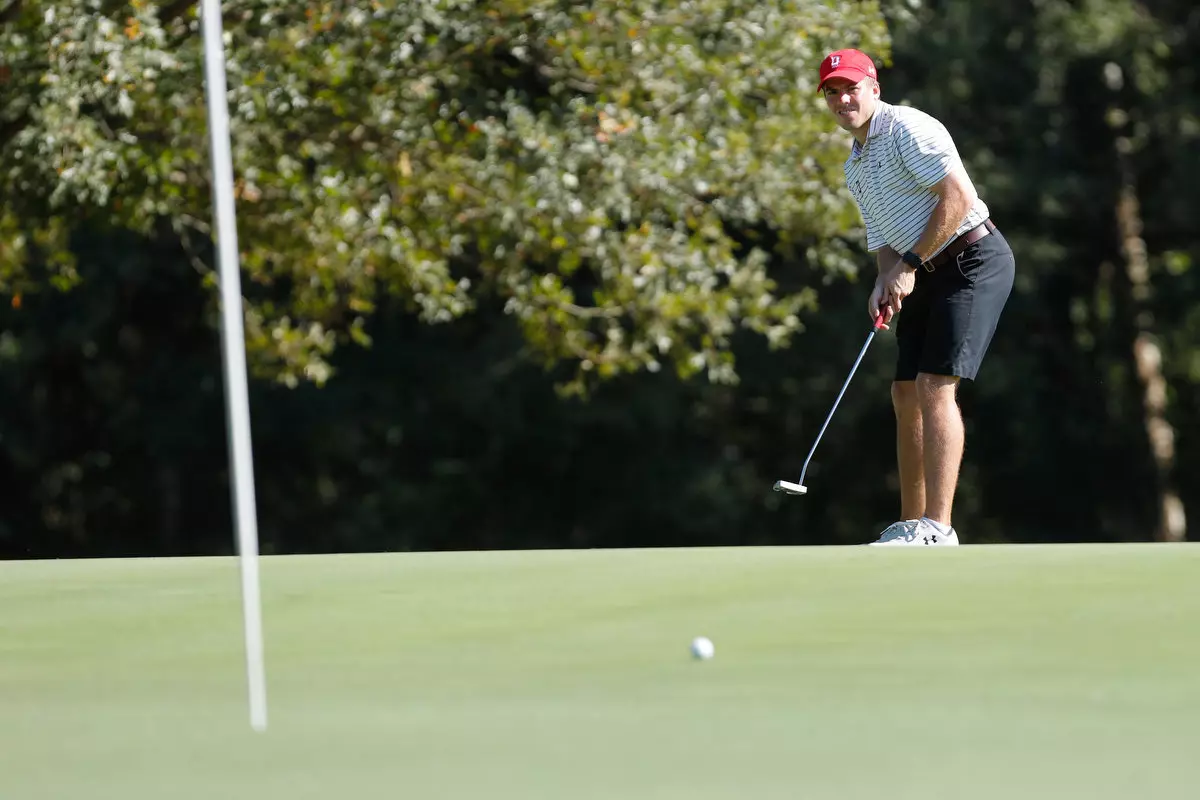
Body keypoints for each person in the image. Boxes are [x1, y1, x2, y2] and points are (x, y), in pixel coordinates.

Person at [817, 48, 1015, 546]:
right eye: (833, 92)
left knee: (933, 385)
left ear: (874, 88)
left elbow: (958, 198)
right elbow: (883, 240)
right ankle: (911, 524)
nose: (843, 99)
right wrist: (885, 278)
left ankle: (939, 526)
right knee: (903, 391)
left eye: (851, 88)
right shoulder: (855, 166)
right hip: (924, 270)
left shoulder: (908, 127)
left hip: (973, 260)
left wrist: (908, 265)